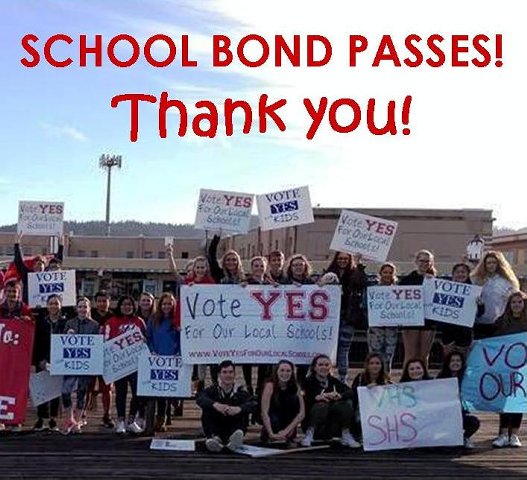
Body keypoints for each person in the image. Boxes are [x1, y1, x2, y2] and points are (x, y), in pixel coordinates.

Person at [103, 295, 147, 434]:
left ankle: (131, 420)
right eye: (124, 304)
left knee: (137, 393)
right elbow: (106, 341)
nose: (127, 307)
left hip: (136, 365)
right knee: (120, 393)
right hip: (119, 364)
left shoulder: (139, 321)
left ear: (134, 307)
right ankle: (120, 421)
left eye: (130, 304)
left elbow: (146, 338)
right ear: (119, 306)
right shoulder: (111, 321)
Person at [490, 291, 526, 448]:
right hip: (504, 366)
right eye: (513, 302)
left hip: (523, 366)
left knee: (518, 399)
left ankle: (515, 435)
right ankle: (503, 433)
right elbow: (490, 339)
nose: (516, 305)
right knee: (504, 399)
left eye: (519, 302)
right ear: (509, 305)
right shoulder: (501, 321)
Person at [326, 251, 368, 383]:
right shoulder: (329, 273)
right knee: (329, 349)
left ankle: (342, 379)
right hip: (330, 318)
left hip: (347, 317)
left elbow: (362, 282)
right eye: (340, 258)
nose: (342, 261)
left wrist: (360, 264)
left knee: (344, 349)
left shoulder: (354, 273)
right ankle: (328, 377)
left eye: (345, 258)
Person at [197, 360, 256, 453]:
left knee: (243, 411)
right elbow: (200, 399)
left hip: (233, 427)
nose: (228, 375)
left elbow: (252, 404)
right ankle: (215, 439)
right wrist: (215, 405)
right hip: (216, 427)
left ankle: (234, 439)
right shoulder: (212, 390)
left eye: (230, 372)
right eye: (224, 372)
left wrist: (239, 409)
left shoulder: (240, 391)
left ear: (234, 374)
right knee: (207, 407)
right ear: (219, 374)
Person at [301, 354, 359, 448]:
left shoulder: (333, 381)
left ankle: (346, 433)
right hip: (315, 423)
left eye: (326, 365)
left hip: (332, 426)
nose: (324, 367)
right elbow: (305, 399)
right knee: (321, 405)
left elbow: (350, 392)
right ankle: (309, 433)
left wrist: (339, 395)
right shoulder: (307, 382)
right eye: (320, 365)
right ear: (314, 367)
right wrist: (316, 397)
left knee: (346, 404)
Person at [61, 297, 100, 434]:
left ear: (89, 309)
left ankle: (77, 422)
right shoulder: (69, 323)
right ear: (76, 308)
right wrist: (67, 335)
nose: (82, 309)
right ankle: (69, 418)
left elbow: (97, 346)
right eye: (80, 306)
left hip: (86, 365)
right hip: (70, 364)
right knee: (65, 392)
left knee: (82, 393)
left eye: (85, 307)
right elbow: (62, 343)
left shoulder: (95, 325)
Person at [146, 292, 182, 432]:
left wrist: (178, 352)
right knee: (159, 392)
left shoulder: (177, 320)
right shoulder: (154, 319)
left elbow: (181, 339)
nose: (166, 306)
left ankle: (166, 414)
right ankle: (160, 418)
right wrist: (152, 351)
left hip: (173, 359)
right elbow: (148, 337)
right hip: (156, 359)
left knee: (169, 392)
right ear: (160, 305)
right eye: (164, 304)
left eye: (169, 304)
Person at [32, 294, 67, 432]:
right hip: (42, 359)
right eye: (51, 303)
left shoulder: (65, 322)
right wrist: (38, 360)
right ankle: (41, 418)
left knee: (55, 391)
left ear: (60, 306)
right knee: (41, 389)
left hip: (59, 360)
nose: (53, 306)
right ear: (47, 306)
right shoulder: (40, 322)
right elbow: (36, 342)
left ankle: (52, 418)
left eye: (56, 303)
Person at [399, 250, 437, 368]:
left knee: (424, 356)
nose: (424, 264)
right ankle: (406, 381)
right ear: (416, 261)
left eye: (427, 261)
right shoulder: (406, 280)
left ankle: (423, 382)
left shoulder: (435, 281)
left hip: (428, 322)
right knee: (411, 355)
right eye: (422, 261)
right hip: (411, 322)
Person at [436, 351, 480, 449]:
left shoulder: (468, 379)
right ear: (448, 363)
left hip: (460, 414)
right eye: (452, 361)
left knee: (474, 422)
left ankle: (464, 438)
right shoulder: (440, 378)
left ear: (462, 362)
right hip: (443, 415)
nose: (455, 363)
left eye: (458, 360)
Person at [471, 251, 519, 339]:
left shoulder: (507, 282)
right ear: (484, 264)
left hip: (500, 322)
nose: (491, 265)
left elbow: (515, 300)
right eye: (489, 263)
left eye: (494, 262)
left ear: (499, 264)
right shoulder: (476, 280)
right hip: (479, 322)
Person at [439, 263, 483, 357]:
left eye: (463, 272)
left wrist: (480, 305)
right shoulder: (444, 289)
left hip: (465, 336)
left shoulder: (474, 291)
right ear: (453, 274)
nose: (460, 274)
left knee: (464, 362)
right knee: (448, 362)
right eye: (458, 272)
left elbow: (480, 314)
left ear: (467, 274)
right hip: (448, 335)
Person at [260, 360, 305, 447]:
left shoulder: (296, 387)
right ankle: (271, 436)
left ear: (292, 373)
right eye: (282, 370)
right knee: (273, 419)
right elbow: (264, 412)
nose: (285, 373)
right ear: (276, 372)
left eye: (288, 371)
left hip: (289, 422)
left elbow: (302, 413)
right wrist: (271, 433)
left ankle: (287, 437)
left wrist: (287, 430)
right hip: (272, 421)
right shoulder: (270, 386)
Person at [86, 290, 114, 428]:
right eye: (99, 301)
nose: (102, 304)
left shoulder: (114, 316)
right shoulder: (89, 315)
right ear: (95, 302)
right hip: (91, 355)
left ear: (109, 302)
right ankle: (82, 413)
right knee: (87, 386)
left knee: (107, 388)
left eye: (105, 301)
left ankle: (107, 415)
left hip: (108, 356)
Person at [350, 353, 391, 441]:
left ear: (381, 365)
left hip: (380, 411)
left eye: (377, 363)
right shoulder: (360, 378)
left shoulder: (387, 380)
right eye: (371, 363)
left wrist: (381, 386)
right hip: (363, 409)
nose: (374, 366)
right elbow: (353, 394)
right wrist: (366, 389)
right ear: (367, 365)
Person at [367, 263, 399, 374]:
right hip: (376, 330)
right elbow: (366, 308)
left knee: (388, 358)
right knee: (374, 357)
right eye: (385, 272)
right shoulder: (372, 290)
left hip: (391, 330)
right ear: (380, 273)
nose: (387, 275)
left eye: (390, 273)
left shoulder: (399, 291)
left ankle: (386, 379)